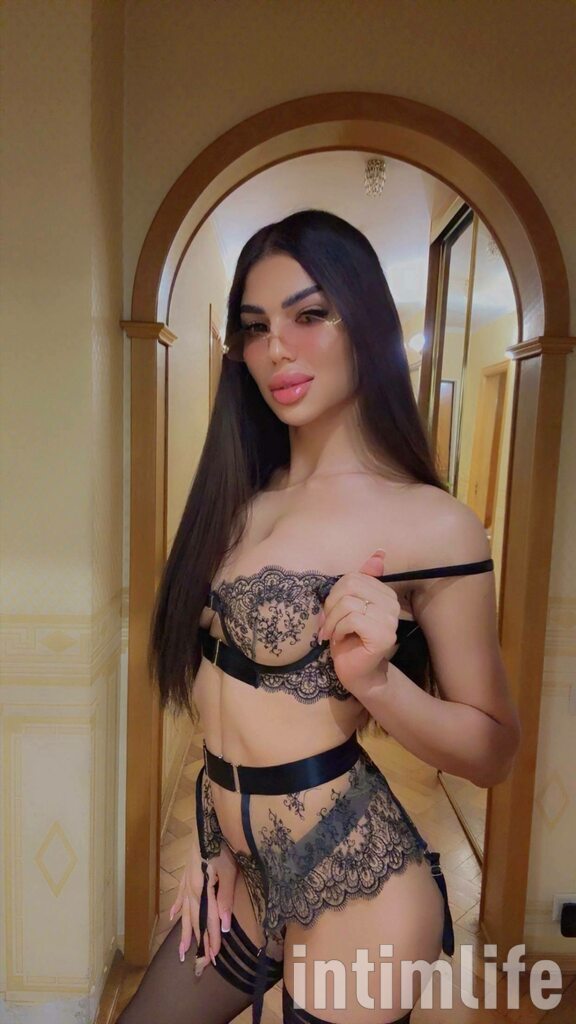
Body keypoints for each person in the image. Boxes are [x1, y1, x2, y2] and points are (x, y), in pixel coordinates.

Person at [117, 208, 521, 1024]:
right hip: (244, 875)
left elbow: (493, 749)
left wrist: (376, 684)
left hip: (358, 884)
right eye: (255, 327)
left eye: (309, 315)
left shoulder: (431, 523)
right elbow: (224, 707)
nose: (277, 349)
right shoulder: (239, 500)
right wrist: (215, 844)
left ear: (364, 324)